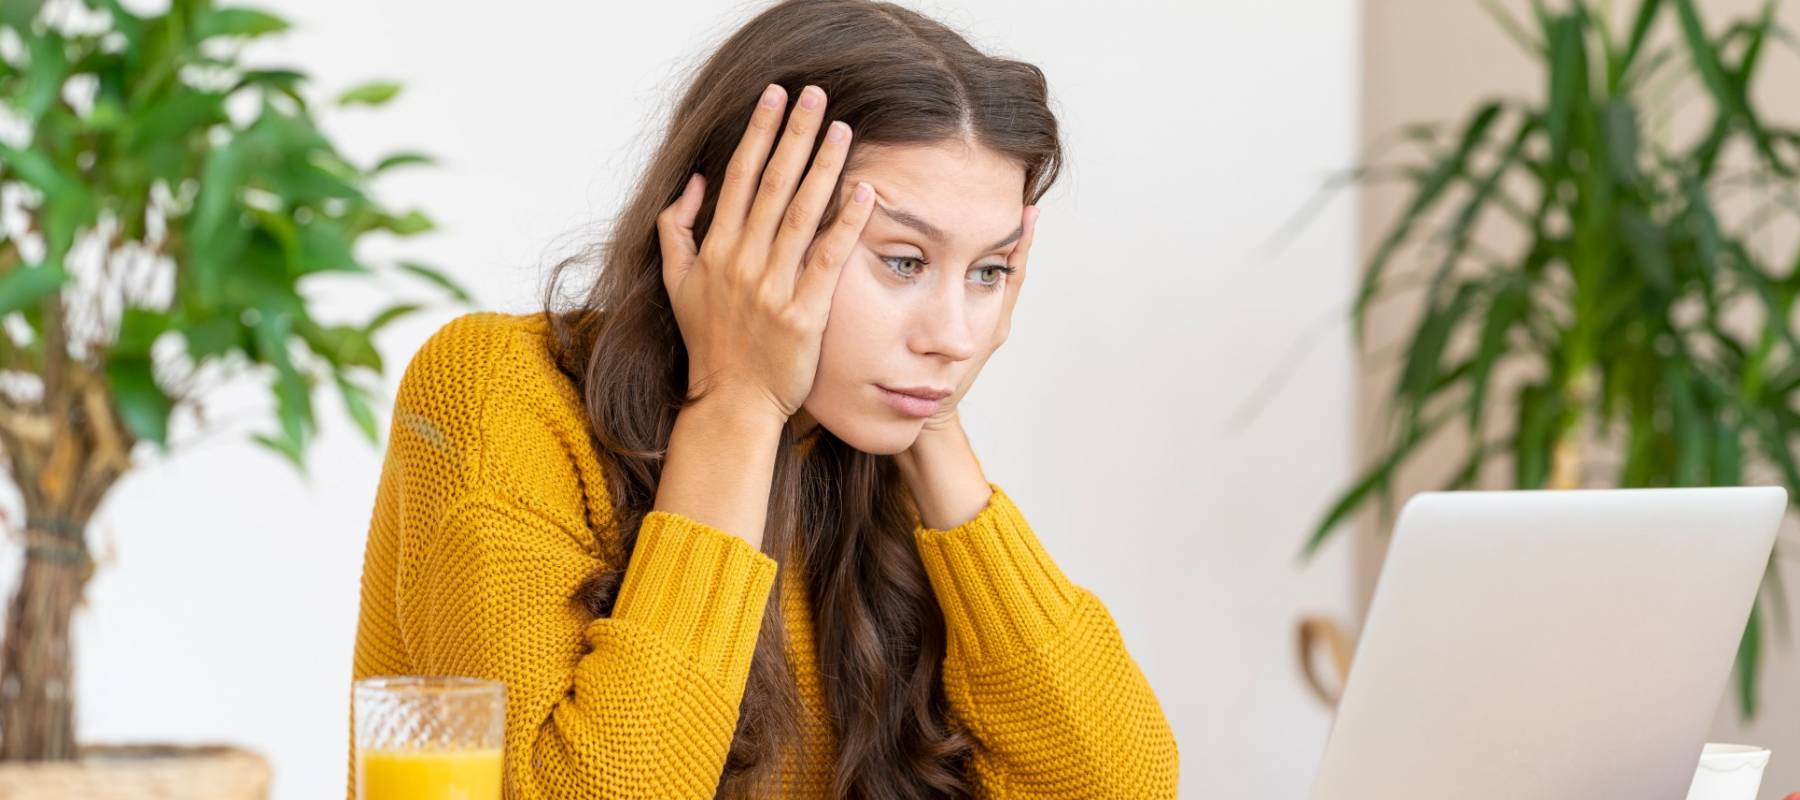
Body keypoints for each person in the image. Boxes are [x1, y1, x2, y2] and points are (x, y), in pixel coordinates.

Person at [346, 0, 1179, 797]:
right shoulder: (501, 388)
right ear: (736, 229)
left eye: (988, 271)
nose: (955, 336)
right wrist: (736, 400)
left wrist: (937, 430)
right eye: (903, 261)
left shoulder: (876, 441)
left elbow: (1121, 788)